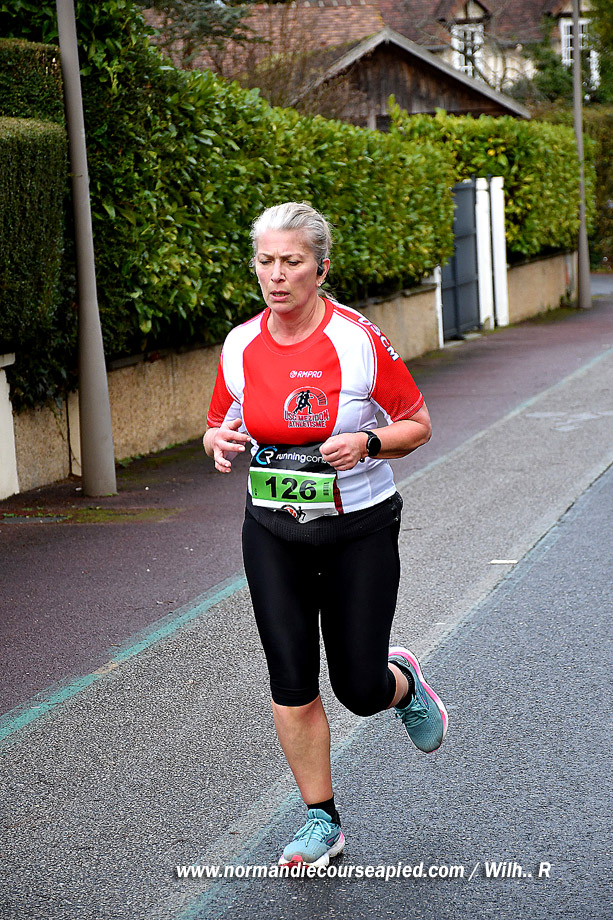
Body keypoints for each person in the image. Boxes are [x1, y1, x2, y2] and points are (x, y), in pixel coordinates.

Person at [204, 202, 448, 868]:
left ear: (321, 268)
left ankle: (401, 682)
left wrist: (368, 442)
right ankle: (322, 820)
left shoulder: (356, 340)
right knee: (291, 681)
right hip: (271, 530)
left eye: (292, 262)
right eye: (265, 261)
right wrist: (216, 440)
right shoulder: (239, 344)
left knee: (358, 690)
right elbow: (220, 420)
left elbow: (418, 424)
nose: (276, 275)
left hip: (358, 530)